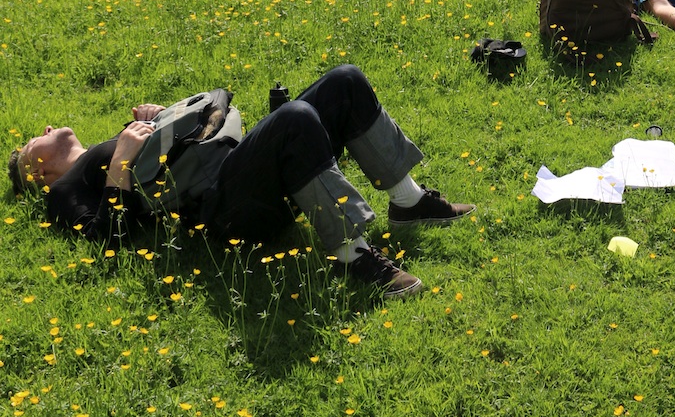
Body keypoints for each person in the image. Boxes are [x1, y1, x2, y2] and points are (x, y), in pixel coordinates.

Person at [8, 66, 473, 299]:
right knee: (294, 117)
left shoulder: (108, 147)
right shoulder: (63, 191)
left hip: (239, 172)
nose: (44, 130)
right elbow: (108, 240)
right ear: (37, 173)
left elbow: (182, 155)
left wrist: (162, 121)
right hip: (222, 211)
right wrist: (120, 163)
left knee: (344, 81)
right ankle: (354, 256)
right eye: (31, 143)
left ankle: (408, 200)